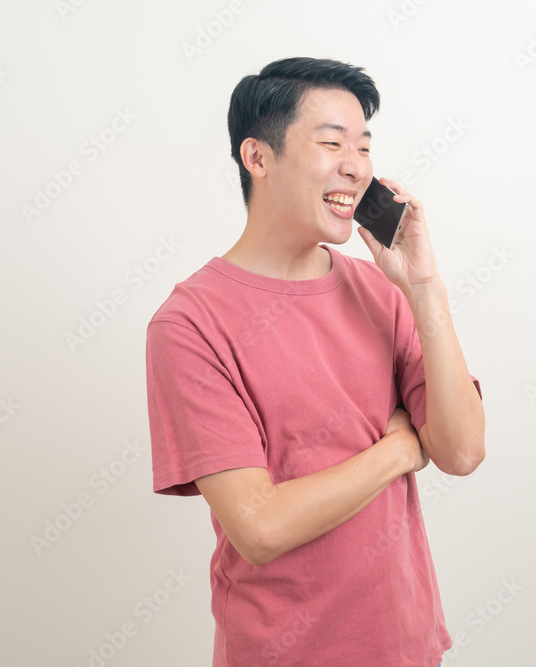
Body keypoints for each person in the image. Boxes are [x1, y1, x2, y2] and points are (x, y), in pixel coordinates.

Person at [145, 56, 485, 666]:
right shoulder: (190, 324)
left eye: (364, 147)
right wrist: (397, 452)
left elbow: (461, 451)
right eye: (331, 143)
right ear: (258, 157)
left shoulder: (382, 291)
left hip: (407, 648)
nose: (356, 166)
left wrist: (423, 287)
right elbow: (260, 528)